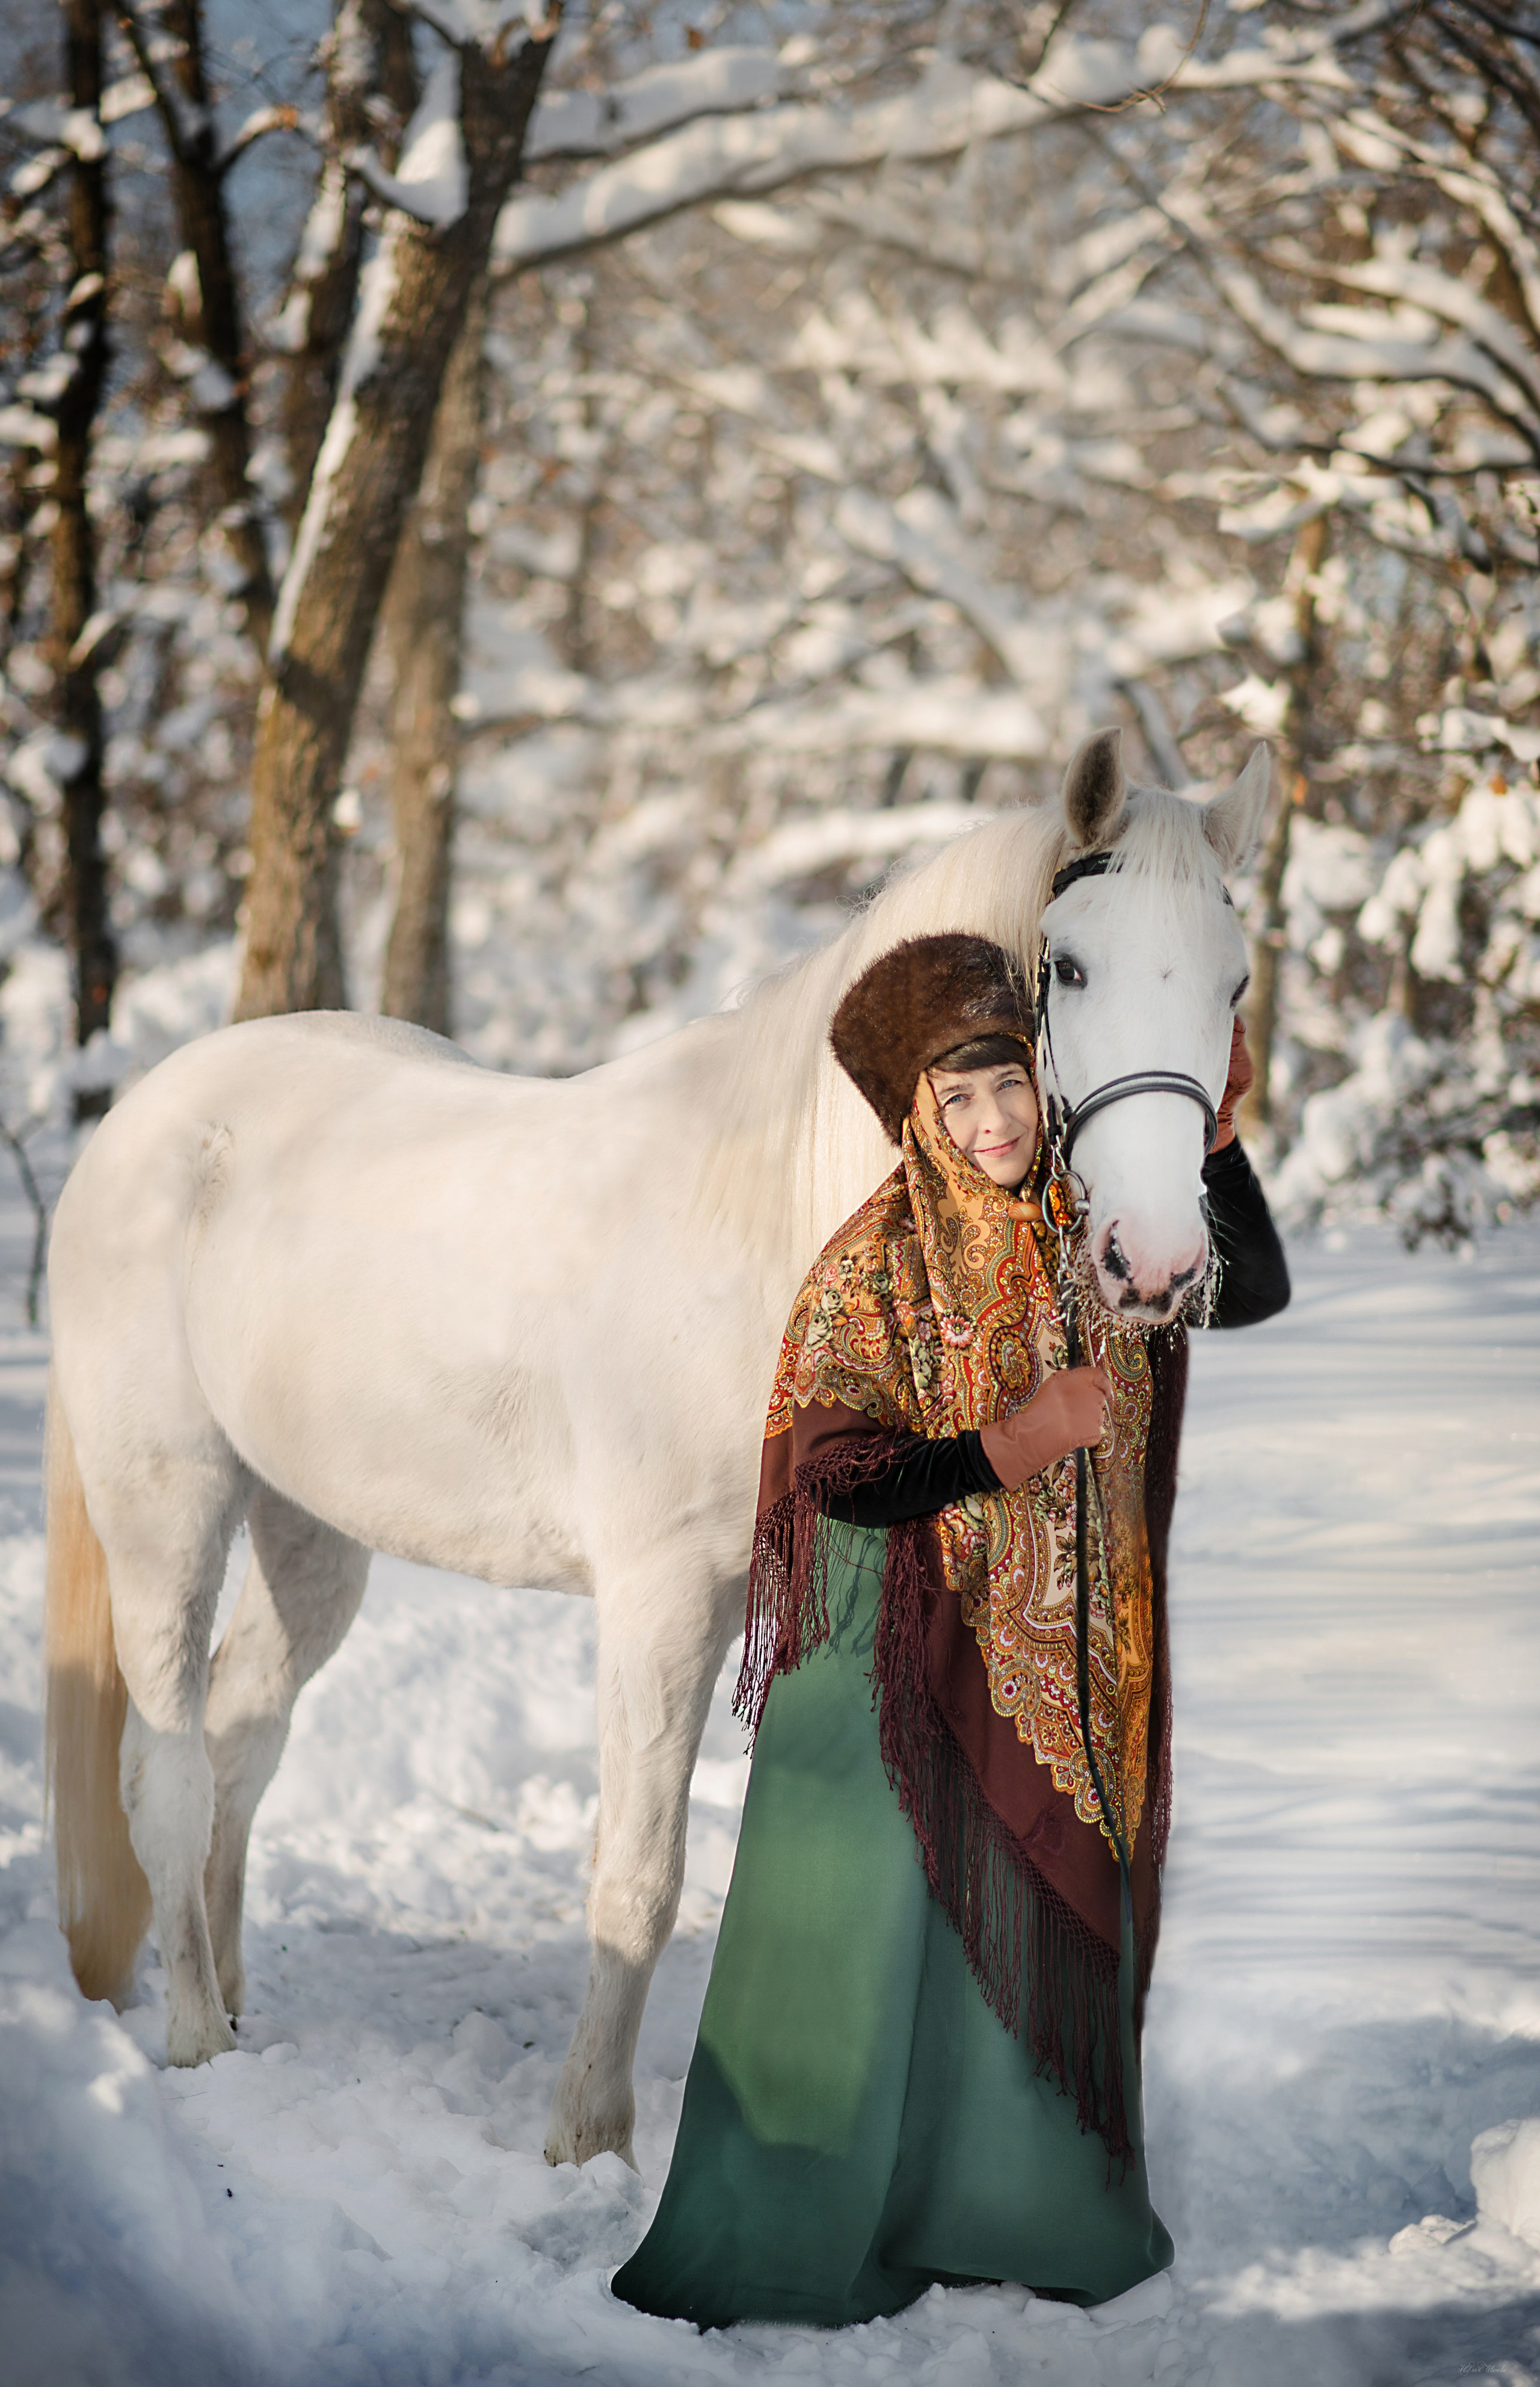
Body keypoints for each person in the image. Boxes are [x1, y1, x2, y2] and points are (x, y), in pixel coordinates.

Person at [612, 932, 1288, 2330]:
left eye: (1009, 1085)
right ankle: (806, 2227)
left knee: (1033, 1933)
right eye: (956, 1096)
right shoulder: (874, 1260)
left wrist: (1213, 1143)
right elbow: (833, 1470)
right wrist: (1011, 1440)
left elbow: (1255, 1285)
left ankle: (1019, 2211)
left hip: (1066, 1661)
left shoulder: (1095, 1228)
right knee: (865, 1942)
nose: (992, 1122)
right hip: (893, 1647)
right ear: (911, 1111)